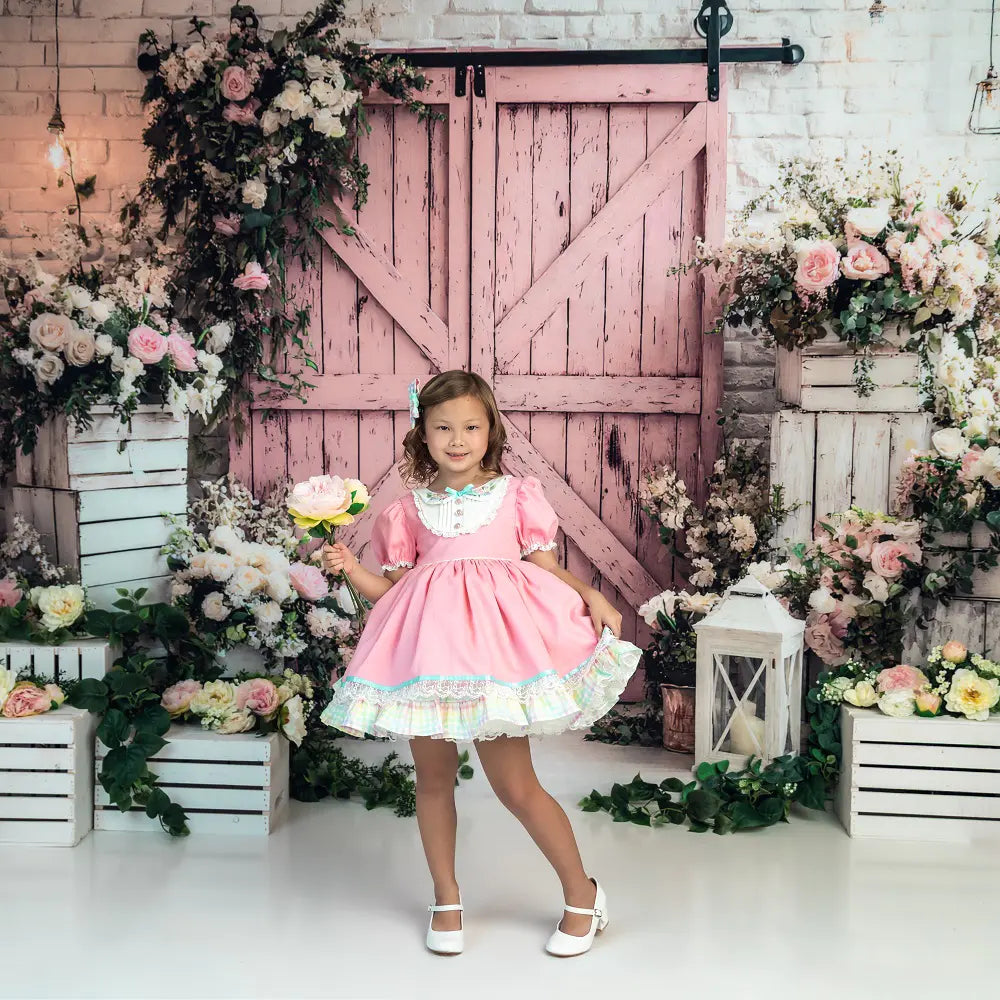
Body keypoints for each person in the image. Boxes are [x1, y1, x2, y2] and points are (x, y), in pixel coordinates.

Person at [320, 370, 641, 957]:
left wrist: (590, 594)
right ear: (422, 433)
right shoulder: (406, 511)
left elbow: (545, 567)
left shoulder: (516, 495)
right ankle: (446, 899)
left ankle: (584, 893)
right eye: (443, 428)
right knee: (433, 780)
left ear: (490, 430)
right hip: (429, 661)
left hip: (495, 661)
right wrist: (350, 568)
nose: (457, 439)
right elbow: (391, 592)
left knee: (516, 785)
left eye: (470, 427)